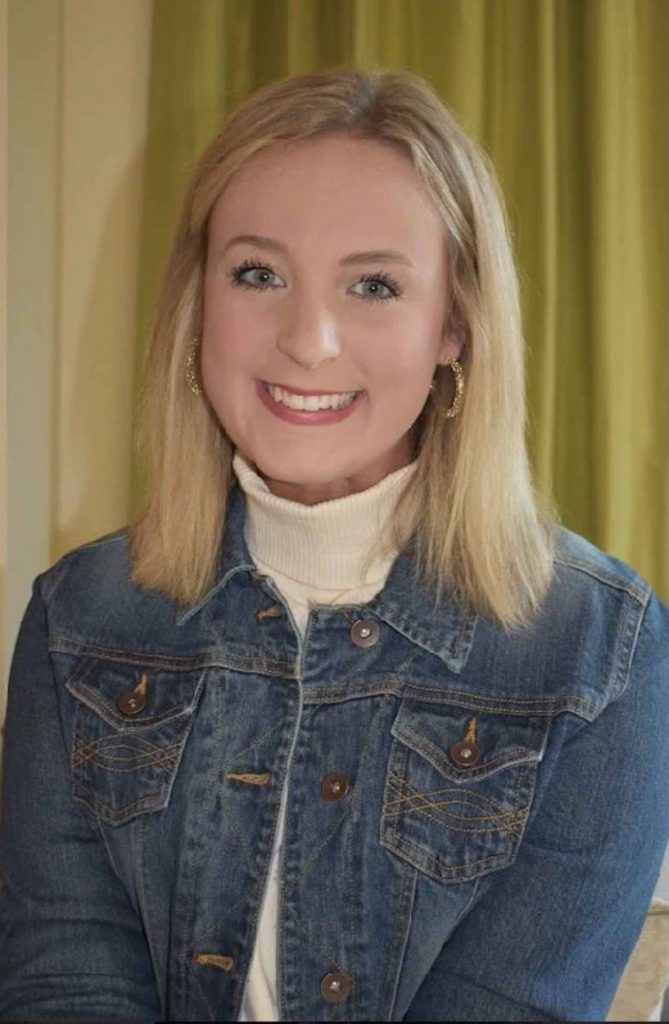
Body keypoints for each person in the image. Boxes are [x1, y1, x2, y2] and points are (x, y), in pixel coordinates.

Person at [1, 66, 667, 1023]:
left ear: (457, 326)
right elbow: (64, 985)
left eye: (373, 285)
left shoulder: (601, 652)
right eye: (258, 274)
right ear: (198, 307)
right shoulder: (80, 620)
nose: (307, 340)